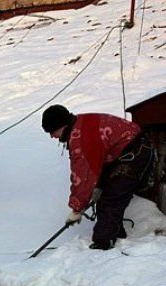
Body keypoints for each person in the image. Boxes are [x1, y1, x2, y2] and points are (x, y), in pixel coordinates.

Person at [41, 104, 153, 250]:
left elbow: (82, 178)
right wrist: (98, 187)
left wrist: (77, 209)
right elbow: (96, 163)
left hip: (134, 153)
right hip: (122, 153)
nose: (51, 136)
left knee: (110, 199)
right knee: (106, 195)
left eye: (52, 131)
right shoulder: (80, 125)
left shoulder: (81, 139)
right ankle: (116, 235)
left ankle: (103, 245)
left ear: (62, 125)